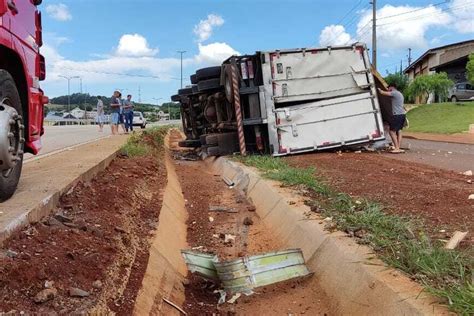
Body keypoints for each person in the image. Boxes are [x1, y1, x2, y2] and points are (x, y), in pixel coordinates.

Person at [378, 84, 406, 153]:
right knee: (399, 131)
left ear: (392, 87)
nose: (388, 89)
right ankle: (398, 147)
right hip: (402, 114)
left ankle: (396, 148)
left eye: (388, 88)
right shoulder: (400, 93)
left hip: (397, 115)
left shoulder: (394, 92)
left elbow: (382, 93)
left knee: (391, 131)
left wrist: (377, 88)